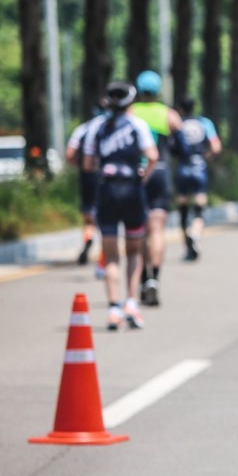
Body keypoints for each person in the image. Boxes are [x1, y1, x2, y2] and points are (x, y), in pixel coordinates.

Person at [83, 81, 158, 330]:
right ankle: (132, 305)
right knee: (134, 251)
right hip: (132, 191)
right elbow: (153, 156)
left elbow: (87, 163)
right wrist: (142, 177)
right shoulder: (137, 125)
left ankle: (113, 308)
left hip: (106, 192)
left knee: (111, 254)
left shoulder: (98, 126)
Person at [129, 70, 182, 306]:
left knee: (139, 229)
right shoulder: (168, 114)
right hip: (160, 172)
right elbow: (182, 145)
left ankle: (142, 277)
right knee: (158, 229)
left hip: (138, 174)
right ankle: (155, 278)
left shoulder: (131, 113)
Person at [173, 98, 221, 261]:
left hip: (182, 168)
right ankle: (195, 233)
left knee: (183, 210)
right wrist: (205, 156)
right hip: (199, 168)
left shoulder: (177, 123)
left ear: (180, 109)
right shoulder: (204, 122)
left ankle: (187, 246)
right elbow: (216, 147)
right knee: (199, 209)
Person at [67, 101, 106, 270]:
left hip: (87, 176)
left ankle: (88, 238)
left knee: (89, 217)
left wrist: (81, 166)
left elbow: (69, 154)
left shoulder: (83, 129)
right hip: (107, 177)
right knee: (107, 222)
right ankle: (104, 259)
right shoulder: (112, 127)